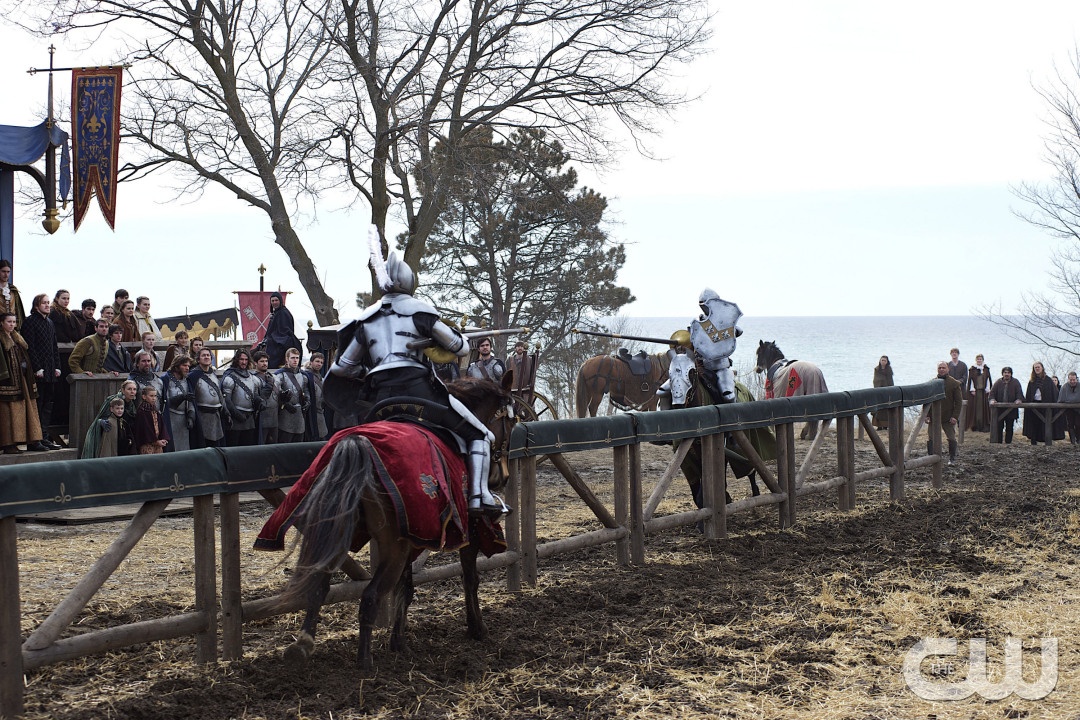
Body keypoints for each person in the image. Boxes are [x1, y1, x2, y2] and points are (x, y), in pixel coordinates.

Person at [326, 247, 506, 517]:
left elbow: (342, 367)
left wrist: (367, 369)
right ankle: (479, 499)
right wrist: (454, 336)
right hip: (419, 393)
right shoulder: (420, 312)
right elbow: (460, 348)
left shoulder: (366, 319)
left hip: (380, 400)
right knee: (481, 435)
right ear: (410, 282)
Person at [0, 312, 47, 453]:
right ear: (2, 323)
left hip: (22, 378)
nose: (12, 325)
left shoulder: (17, 338)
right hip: (8, 381)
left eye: (14, 322)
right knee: (9, 411)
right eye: (9, 322)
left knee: (28, 407)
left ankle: (33, 440)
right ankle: (8, 443)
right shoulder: (1, 339)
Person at [22, 294, 63, 449]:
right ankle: (34, 440)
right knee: (37, 404)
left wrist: (57, 366)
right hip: (37, 370)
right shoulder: (30, 321)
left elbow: (54, 346)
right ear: (36, 305)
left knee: (48, 404)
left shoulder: (50, 322)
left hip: (51, 369)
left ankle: (44, 437)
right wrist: (37, 368)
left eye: (48, 302)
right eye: (43, 303)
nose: (47, 305)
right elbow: (29, 347)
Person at [82, 380, 139, 458]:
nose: (132, 392)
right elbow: (100, 416)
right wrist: (101, 422)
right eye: (129, 389)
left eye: (134, 389)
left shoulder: (132, 405)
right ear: (123, 390)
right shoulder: (112, 400)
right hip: (109, 431)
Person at [222, 349, 266, 446]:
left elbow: (255, 396)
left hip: (249, 419)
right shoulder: (229, 378)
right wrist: (237, 415)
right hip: (235, 420)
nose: (244, 362)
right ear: (237, 360)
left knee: (248, 449)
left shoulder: (253, 379)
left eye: (246, 359)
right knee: (233, 448)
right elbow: (227, 400)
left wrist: (260, 402)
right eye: (241, 359)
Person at [926, 360, 963, 465]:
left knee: (951, 438)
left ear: (948, 369)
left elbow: (958, 402)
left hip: (948, 417)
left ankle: (952, 458)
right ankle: (930, 458)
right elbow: (927, 401)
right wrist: (927, 415)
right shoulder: (931, 383)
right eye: (939, 368)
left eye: (943, 368)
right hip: (933, 416)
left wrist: (955, 416)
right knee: (931, 438)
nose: (941, 370)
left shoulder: (954, 383)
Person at [188, 348, 226, 448]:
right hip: (201, 416)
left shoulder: (213, 375)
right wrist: (191, 415)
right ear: (198, 359)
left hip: (216, 416)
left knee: (217, 446)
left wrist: (225, 410)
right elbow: (190, 398)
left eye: (208, 355)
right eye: (203, 355)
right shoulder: (193, 376)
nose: (206, 357)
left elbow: (220, 394)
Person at [162, 356, 195, 452]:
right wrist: (181, 397)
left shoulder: (187, 381)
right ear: (176, 367)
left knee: (184, 450)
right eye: (184, 365)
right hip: (170, 418)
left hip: (183, 420)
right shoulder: (165, 380)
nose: (187, 368)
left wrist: (191, 416)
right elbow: (164, 402)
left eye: (188, 366)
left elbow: (190, 400)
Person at [275, 347, 307, 443]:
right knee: (285, 444)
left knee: (299, 445)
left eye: (297, 358)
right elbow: (276, 393)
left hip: (299, 413)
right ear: (287, 359)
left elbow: (306, 391)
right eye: (292, 358)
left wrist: (307, 401)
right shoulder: (280, 375)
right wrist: (285, 404)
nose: (295, 360)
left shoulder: (303, 376)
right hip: (285, 414)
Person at [1023, 361, 1058, 445]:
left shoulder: (1048, 380)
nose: (1037, 369)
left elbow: (1053, 394)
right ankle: (1033, 442)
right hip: (1033, 405)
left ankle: (1046, 441)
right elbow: (1029, 394)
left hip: (1045, 405)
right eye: (1035, 367)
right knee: (1033, 423)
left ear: (1042, 368)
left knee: (1045, 423)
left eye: (1038, 367)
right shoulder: (1032, 381)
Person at [264, 291, 301, 369]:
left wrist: (272, 337)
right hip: (275, 338)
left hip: (283, 339)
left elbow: (285, 331)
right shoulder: (276, 313)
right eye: (272, 301)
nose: (274, 302)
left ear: (280, 301)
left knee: (272, 347)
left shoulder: (284, 313)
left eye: (276, 300)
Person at [988, 367, 1025, 444]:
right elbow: (992, 393)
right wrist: (992, 400)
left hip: (1011, 409)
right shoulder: (998, 382)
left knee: (1010, 427)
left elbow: (1019, 393)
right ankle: (999, 443)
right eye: (1005, 372)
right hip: (999, 409)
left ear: (1011, 374)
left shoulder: (1015, 382)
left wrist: (1019, 399)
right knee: (999, 427)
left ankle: (1008, 443)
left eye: (1008, 373)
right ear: (1002, 373)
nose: (1006, 374)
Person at [252, 350, 280, 444]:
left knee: (274, 447)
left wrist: (284, 397)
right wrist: (268, 386)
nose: (265, 363)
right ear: (255, 363)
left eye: (266, 361)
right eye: (262, 361)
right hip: (261, 418)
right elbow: (256, 398)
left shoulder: (273, 377)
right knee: (261, 447)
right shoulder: (253, 378)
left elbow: (278, 395)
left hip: (274, 416)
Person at [133, 385, 169, 454]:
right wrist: (155, 441)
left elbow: (161, 425)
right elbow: (145, 430)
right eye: (151, 396)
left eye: (155, 396)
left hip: (158, 444)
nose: (154, 398)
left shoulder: (155, 410)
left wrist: (163, 438)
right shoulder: (142, 412)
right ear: (144, 397)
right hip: (147, 445)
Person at [303, 352, 328, 441]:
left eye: (321, 362)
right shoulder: (306, 376)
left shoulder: (321, 378)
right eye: (317, 361)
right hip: (310, 413)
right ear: (311, 362)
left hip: (320, 411)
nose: (319, 364)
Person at [965, 354, 992, 432]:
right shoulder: (972, 369)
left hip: (984, 392)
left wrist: (988, 389)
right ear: (976, 360)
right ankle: (975, 425)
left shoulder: (986, 369)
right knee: (975, 408)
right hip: (975, 392)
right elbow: (970, 380)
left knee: (984, 408)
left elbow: (988, 379)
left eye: (980, 359)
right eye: (978, 359)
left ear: (982, 360)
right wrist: (972, 389)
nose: (979, 360)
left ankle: (984, 425)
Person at [0, 261, 26, 330]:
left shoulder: (13, 290)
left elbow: (18, 310)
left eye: (8, 272)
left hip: (13, 328)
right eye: (3, 271)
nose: (6, 275)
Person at [1058, 371, 1080, 444]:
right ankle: (1072, 441)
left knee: (1078, 424)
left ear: (1076, 379)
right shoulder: (1064, 387)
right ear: (1068, 379)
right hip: (1068, 409)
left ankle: (1078, 439)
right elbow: (1061, 399)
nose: (1072, 381)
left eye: (1074, 380)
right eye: (1071, 380)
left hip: (1078, 410)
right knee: (1070, 425)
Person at [871, 355, 893, 429]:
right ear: (880, 361)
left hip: (887, 392)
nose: (883, 362)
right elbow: (876, 380)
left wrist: (890, 389)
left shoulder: (889, 370)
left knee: (886, 409)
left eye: (884, 360)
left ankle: (886, 425)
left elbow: (890, 381)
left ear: (887, 362)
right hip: (878, 392)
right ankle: (879, 426)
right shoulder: (877, 369)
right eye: (882, 360)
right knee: (878, 409)